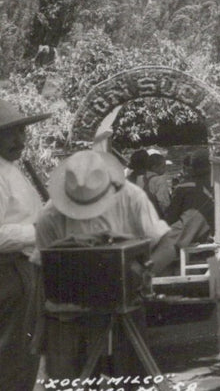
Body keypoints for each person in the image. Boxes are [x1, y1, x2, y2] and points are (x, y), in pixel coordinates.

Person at [34, 150, 176, 380]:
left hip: (126, 306)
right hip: (70, 315)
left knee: (132, 378)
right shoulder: (50, 215)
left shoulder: (131, 197)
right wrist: (43, 331)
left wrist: (142, 275)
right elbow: (41, 273)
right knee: (66, 381)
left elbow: (167, 247)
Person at [0, 99, 50, 391]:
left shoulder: (12, 169)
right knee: (11, 357)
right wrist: (39, 231)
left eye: (22, 132)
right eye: (11, 133)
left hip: (24, 270)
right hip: (8, 273)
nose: (19, 140)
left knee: (23, 355)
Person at [164, 149, 216, 243]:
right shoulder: (216, 184)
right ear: (210, 166)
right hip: (211, 232)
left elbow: (171, 216)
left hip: (189, 236)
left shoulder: (182, 187)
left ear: (192, 168)